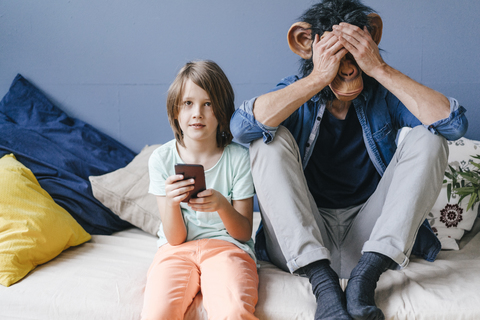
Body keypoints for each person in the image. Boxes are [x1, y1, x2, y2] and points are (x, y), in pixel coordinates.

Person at [230, 1, 468, 319]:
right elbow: (241, 129)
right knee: (266, 142)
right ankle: (324, 285)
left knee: (429, 136)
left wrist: (379, 68)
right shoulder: (296, 92)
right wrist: (318, 77)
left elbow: (452, 124)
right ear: (306, 44)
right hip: (307, 236)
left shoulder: (382, 94)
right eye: (336, 54)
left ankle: (365, 278)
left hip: (369, 237)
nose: (348, 69)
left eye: (353, 54)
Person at [142, 60, 258, 320]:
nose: (197, 113)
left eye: (208, 104)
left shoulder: (239, 158)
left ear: (223, 112)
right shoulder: (161, 160)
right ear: (175, 112)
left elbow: (243, 233)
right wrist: (172, 203)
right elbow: (175, 239)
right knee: (157, 313)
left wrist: (221, 205)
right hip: (176, 251)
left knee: (233, 312)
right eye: (188, 104)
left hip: (228, 247)